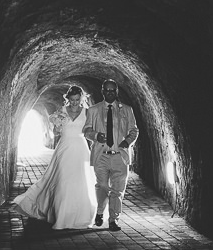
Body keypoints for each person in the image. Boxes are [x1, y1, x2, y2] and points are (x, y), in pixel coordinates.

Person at [14, 86, 98, 229]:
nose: (74, 103)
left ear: (82, 99)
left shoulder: (87, 112)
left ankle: (81, 216)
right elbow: (56, 131)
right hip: (64, 148)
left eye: (77, 100)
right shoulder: (61, 112)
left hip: (80, 149)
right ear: (68, 99)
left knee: (80, 180)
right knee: (63, 180)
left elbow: (90, 130)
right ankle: (61, 216)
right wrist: (57, 126)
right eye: (72, 100)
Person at [83, 79, 139, 231]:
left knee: (118, 189)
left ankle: (113, 220)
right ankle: (100, 212)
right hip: (101, 155)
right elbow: (86, 130)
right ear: (102, 91)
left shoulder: (126, 109)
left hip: (119, 156)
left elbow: (134, 130)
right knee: (101, 186)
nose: (109, 93)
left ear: (116, 92)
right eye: (107, 90)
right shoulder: (94, 110)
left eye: (112, 90)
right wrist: (96, 136)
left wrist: (127, 142)